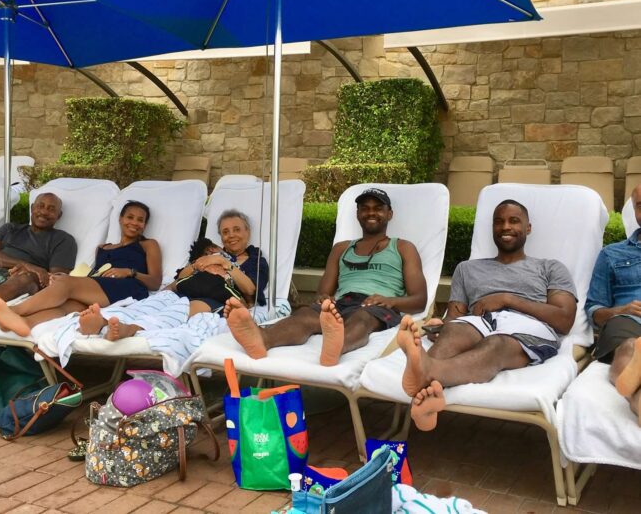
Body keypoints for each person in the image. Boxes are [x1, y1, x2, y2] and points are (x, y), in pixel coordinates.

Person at [398, 199, 577, 431]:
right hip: (478, 321)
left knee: (497, 344)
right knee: (455, 330)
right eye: (498, 222)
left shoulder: (550, 267)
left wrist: (507, 299)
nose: (505, 227)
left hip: (528, 326)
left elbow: (564, 320)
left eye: (514, 221)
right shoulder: (467, 269)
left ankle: (425, 373)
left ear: (528, 228)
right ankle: (427, 394)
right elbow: (454, 316)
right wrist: (440, 325)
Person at [225, 187, 427, 366]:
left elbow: (420, 300)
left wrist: (389, 301)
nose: (371, 212)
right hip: (342, 303)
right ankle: (262, 338)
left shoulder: (403, 247)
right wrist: (323, 298)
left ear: (389, 214)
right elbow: (323, 292)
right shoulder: (342, 248)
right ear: (358, 214)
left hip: (377, 306)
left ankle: (335, 348)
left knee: (362, 319)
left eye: (378, 208)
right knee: (304, 315)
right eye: (365, 208)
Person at [76, 209, 269, 341]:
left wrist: (223, 263)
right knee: (151, 305)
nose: (231, 235)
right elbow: (180, 278)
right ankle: (102, 322)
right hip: (181, 289)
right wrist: (202, 263)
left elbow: (251, 289)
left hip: (211, 298)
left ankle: (128, 330)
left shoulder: (255, 259)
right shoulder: (210, 252)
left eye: (237, 229)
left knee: (177, 312)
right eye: (225, 232)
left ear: (247, 232)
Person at [0, 200, 161, 337]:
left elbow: (155, 282)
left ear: (145, 225)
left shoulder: (148, 245)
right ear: (120, 219)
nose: (135, 223)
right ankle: (25, 323)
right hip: (101, 287)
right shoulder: (102, 247)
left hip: (128, 287)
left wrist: (130, 272)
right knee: (67, 306)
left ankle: (13, 312)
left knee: (66, 284)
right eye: (130, 217)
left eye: (141, 220)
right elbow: (95, 275)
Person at [585, 184, 641, 425]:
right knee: (629, 346)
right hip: (628, 322)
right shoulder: (611, 254)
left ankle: (635, 395)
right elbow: (594, 310)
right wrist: (622, 310)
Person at [0, 192, 77, 301]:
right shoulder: (10, 228)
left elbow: (55, 279)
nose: (44, 212)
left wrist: (29, 270)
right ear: (32, 208)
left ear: (59, 215)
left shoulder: (63, 240)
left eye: (51, 209)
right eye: (40, 206)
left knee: (25, 280)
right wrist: (25, 264)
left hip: (22, 279)